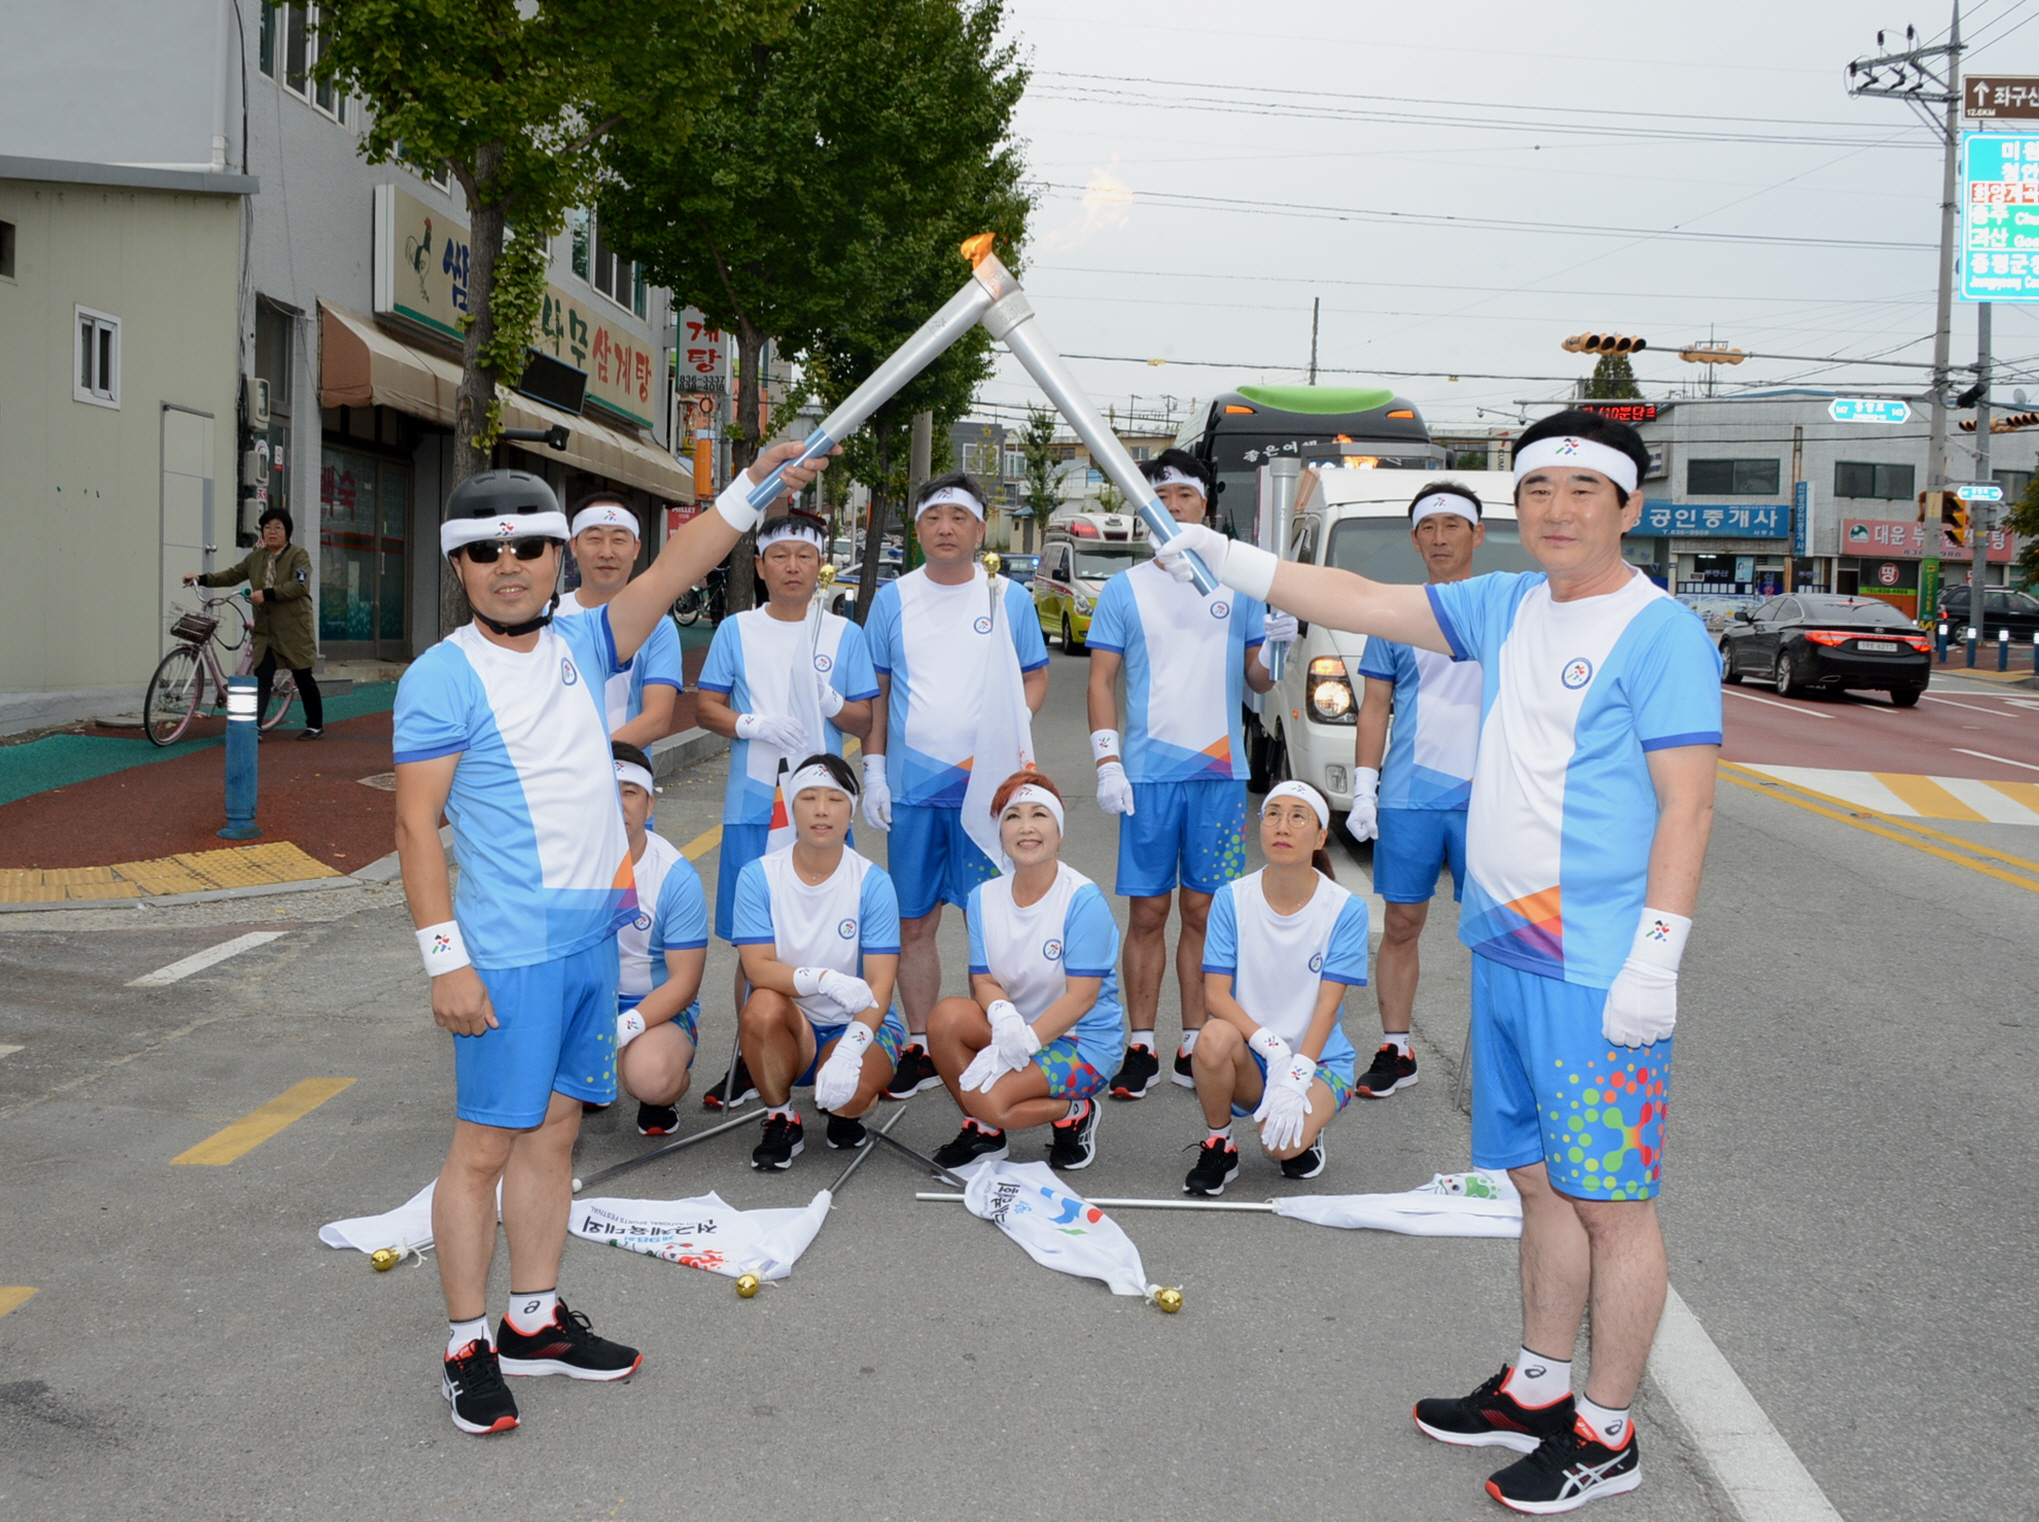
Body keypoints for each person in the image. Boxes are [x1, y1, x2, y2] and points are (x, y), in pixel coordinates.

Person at [1152, 409, 1719, 1514]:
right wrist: (1222, 553)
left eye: (1583, 491)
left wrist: (1656, 956)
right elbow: (1361, 601)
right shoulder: (1504, 605)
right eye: (1538, 489)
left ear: (1628, 509)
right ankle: (1538, 1385)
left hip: (1596, 966)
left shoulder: (1660, 634)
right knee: (1535, 1181)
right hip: (1506, 946)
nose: (1557, 510)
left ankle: (1607, 1433)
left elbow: (1686, 807)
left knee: (1611, 1204)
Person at [393, 439, 833, 1436]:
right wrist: (445, 960)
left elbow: (678, 564)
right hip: (508, 953)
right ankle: (465, 1344)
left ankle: (533, 1319)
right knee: (481, 1149)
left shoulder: (584, 642)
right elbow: (415, 826)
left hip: (594, 938)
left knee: (554, 1133)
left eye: (527, 548)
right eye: (484, 552)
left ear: (556, 559)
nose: (508, 566)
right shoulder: (440, 677)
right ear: (458, 566)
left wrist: (756, 484)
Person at [1086, 449, 1294, 1101]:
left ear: (1206, 505)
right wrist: (1107, 760)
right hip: (1147, 776)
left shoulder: (1237, 584)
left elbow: (1258, 680)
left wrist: (1278, 646)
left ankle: (1193, 1037)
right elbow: (1100, 680)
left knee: (1202, 911)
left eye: (1185, 497)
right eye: (1162, 498)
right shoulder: (1124, 589)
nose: (1173, 508)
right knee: (1148, 912)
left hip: (1219, 774)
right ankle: (1140, 1042)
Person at [860, 472, 1050, 1101]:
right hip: (915, 791)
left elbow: (1035, 677)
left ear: (979, 528)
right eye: (934, 518)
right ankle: (920, 1043)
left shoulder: (1006, 598)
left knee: (990, 925)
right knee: (914, 924)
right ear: (917, 529)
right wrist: (875, 770)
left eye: (959, 518)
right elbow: (878, 693)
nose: (946, 528)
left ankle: (993, 1039)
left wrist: (1011, 733)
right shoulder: (893, 599)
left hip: (987, 794)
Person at [696, 508, 878, 1107]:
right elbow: (706, 707)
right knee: (752, 939)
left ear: (820, 564)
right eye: (779, 556)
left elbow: (864, 718)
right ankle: (752, 1059)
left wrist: (830, 702)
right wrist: (751, 724)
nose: (792, 567)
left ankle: (837, 1046)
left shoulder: (843, 634)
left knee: (833, 928)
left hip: (823, 806)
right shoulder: (737, 630)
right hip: (754, 802)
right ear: (760, 566)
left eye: (804, 556)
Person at [1347, 481, 1488, 1100]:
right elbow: (1375, 705)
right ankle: (1397, 1047)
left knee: (1500, 930)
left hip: (1489, 797)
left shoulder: (1502, 607)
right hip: (1410, 795)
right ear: (1414, 539)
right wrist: (1364, 788)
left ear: (1477, 534)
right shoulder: (1396, 612)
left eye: (1453, 525)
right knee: (1402, 923)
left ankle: (1504, 1052)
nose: (1440, 538)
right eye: (1428, 528)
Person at [924, 772, 1122, 1172]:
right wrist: (1004, 1017)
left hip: (1081, 1042)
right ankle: (986, 1132)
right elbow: (984, 980)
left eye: (1039, 815)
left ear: (1059, 833)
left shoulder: (1083, 900)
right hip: (1015, 1029)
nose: (1026, 827)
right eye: (1013, 817)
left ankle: (1074, 1112)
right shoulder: (983, 898)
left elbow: (1082, 997)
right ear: (1000, 835)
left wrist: (1027, 1041)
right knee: (945, 1018)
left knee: (987, 1099)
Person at [1184, 781, 1366, 1194]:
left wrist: (1298, 1074)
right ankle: (1220, 1143)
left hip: (1318, 1059)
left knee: (1280, 1146)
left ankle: (1309, 1126)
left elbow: (1327, 1007)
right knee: (1211, 1037)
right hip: (1253, 1054)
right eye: (1273, 814)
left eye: (1298, 817)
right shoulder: (1231, 899)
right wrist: (1271, 1047)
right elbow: (1215, 996)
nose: (1283, 826)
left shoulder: (1345, 909)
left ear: (1320, 837)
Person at [730, 753, 906, 1169]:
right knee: (761, 1004)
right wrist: (823, 979)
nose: (822, 810)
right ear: (792, 807)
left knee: (848, 1098)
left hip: (859, 1020)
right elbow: (757, 968)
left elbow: (880, 985)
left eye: (835, 799)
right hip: (792, 1025)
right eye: (809, 798)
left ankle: (846, 1109)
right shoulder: (758, 876)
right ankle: (781, 1116)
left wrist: (850, 1051)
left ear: (851, 810)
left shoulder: (873, 882)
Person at [609, 742, 710, 1137]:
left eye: (630, 792)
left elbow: (685, 983)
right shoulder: (564, 864)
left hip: (654, 1005)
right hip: (586, 997)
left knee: (650, 1077)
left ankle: (656, 1090)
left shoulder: (675, 877)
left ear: (649, 805)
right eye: (608, 791)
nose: (618, 804)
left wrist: (625, 1027)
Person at [549, 495, 685, 749]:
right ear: (574, 546)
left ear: (636, 548)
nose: (607, 552)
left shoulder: (657, 625)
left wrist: (591, 758)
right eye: (594, 539)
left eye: (619, 540)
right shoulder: (546, 617)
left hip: (626, 769)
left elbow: (657, 719)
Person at [183, 507, 324, 739]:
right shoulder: (256, 557)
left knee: (302, 675)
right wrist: (202, 578)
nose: (272, 532)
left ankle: (315, 725)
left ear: (287, 532)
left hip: (293, 628)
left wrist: (267, 594)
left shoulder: (299, 555)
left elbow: (300, 586)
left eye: (278, 528)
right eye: (267, 527)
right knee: (262, 677)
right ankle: (254, 728)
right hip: (265, 629)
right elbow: (231, 575)